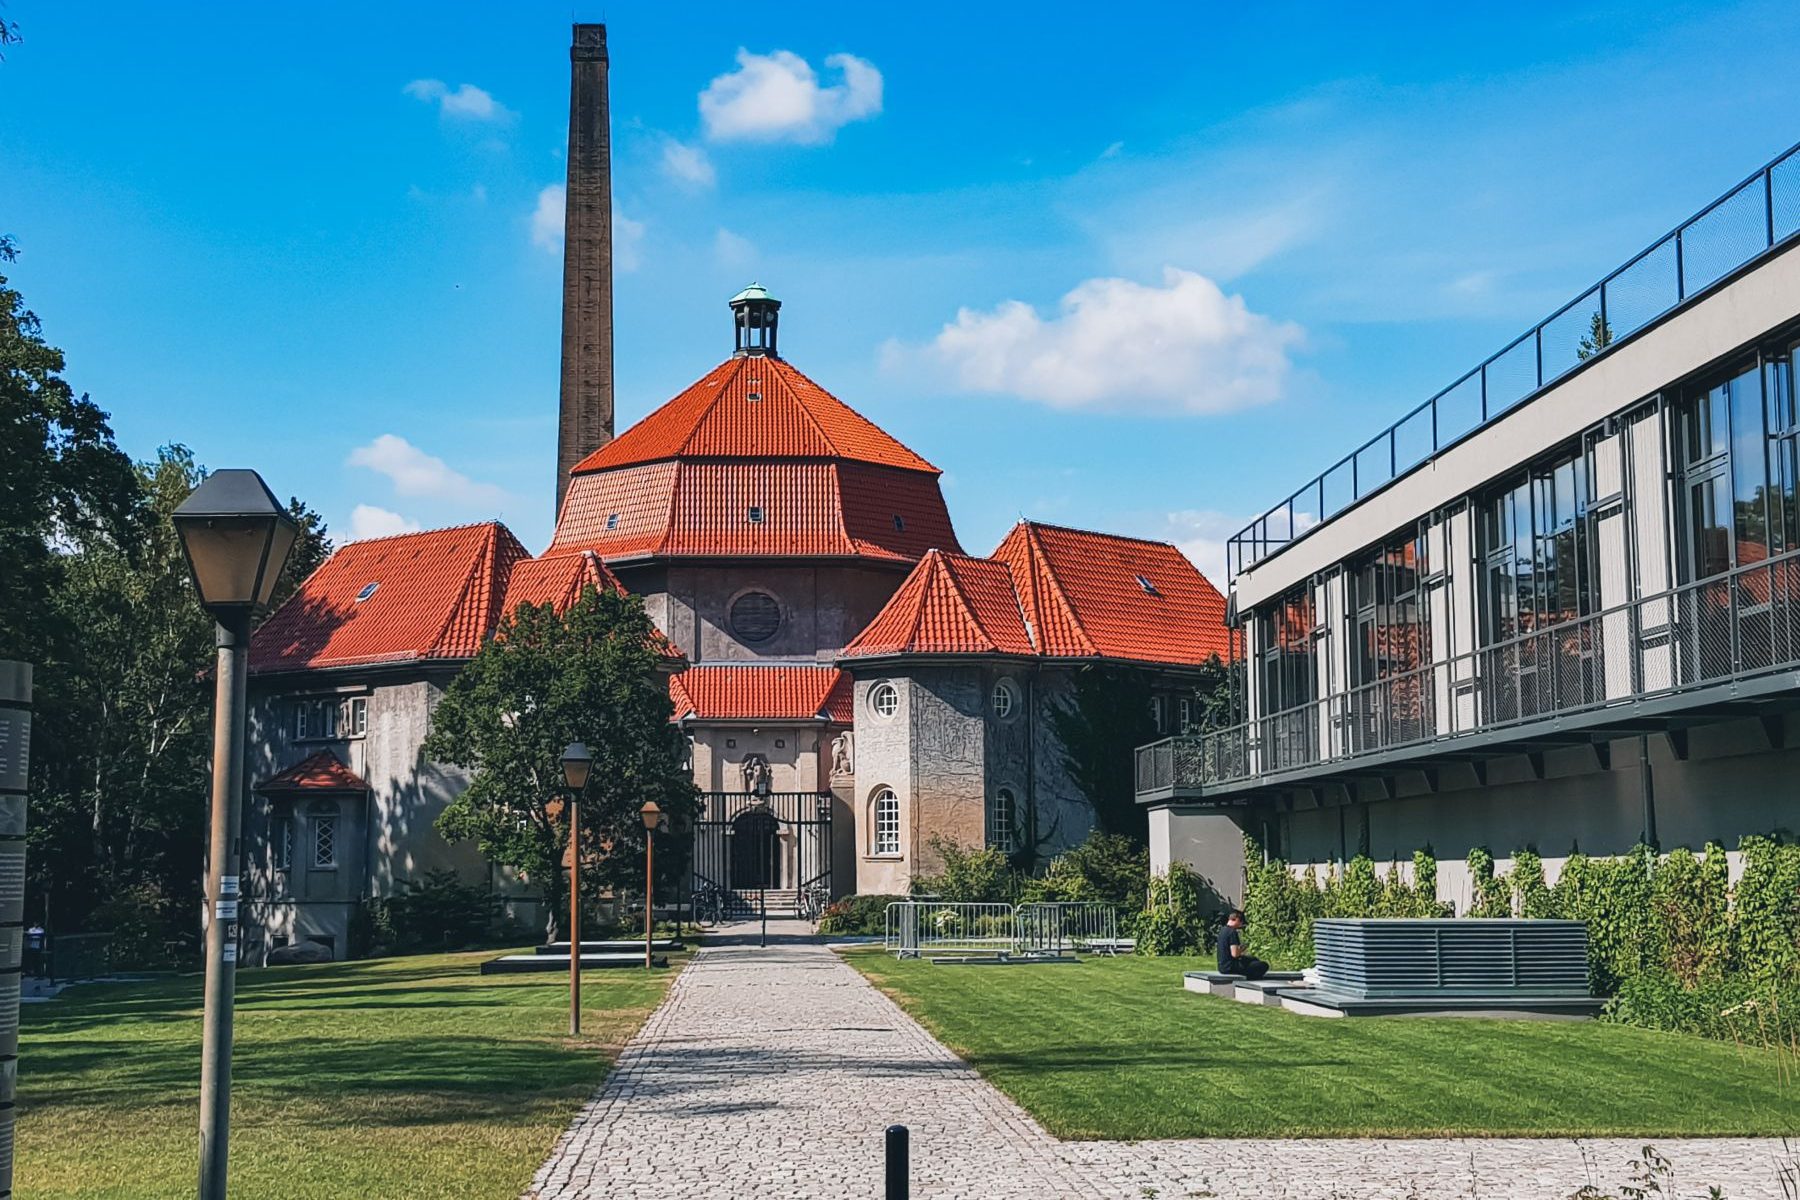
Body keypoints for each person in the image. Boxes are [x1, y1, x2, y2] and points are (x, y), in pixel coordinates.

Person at [1216, 909, 1269, 980]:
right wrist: (1242, 948)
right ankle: (1252, 977)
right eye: (1241, 922)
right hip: (1230, 967)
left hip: (1222, 966)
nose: (1241, 925)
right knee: (1263, 965)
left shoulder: (1223, 930)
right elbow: (1235, 954)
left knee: (1253, 959)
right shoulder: (1232, 932)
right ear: (1237, 920)